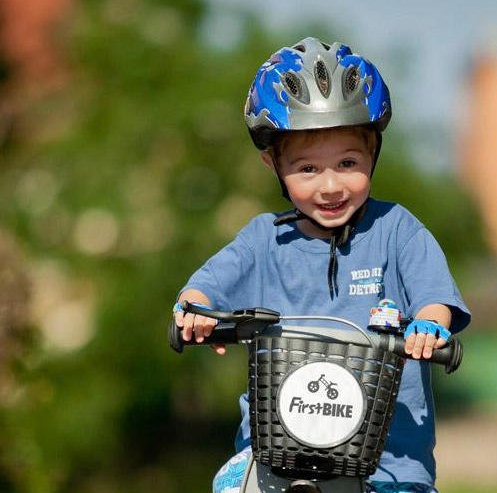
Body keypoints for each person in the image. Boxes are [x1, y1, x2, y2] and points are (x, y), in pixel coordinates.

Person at [173, 37, 471, 493]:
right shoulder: (262, 240)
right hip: (275, 451)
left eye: (348, 162)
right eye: (308, 169)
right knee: (232, 486)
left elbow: (434, 299)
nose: (330, 185)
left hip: (388, 463)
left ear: (374, 154)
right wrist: (194, 311)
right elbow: (206, 288)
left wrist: (429, 327)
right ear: (273, 164)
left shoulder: (398, 230)